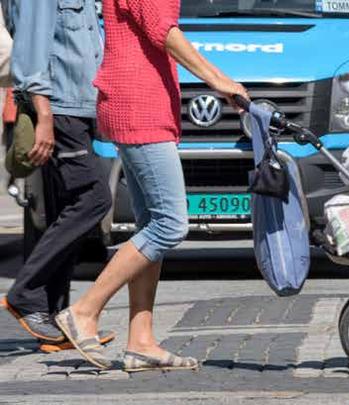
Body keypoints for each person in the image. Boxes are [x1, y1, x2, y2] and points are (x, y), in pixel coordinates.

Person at [54, 0, 247, 372]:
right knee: (170, 224)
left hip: (137, 100)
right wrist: (218, 80)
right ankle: (84, 310)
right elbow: (163, 30)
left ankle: (141, 342)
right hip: (139, 104)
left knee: (149, 226)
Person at [1, 0, 117, 352]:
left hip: (76, 106)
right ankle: (25, 295)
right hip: (58, 108)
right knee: (94, 198)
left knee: (64, 207)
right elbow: (31, 52)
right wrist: (45, 118)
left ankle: (53, 315)